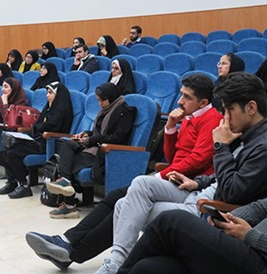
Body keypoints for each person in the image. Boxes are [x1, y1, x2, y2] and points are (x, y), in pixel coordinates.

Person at [25, 74, 223, 270]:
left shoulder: (211, 119)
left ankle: (69, 245)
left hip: (188, 183)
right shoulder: (187, 117)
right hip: (173, 177)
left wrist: (161, 174)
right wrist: (170, 127)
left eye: (187, 97)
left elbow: (199, 160)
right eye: (180, 94)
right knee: (117, 198)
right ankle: (68, 245)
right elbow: (172, 156)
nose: (180, 101)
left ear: (203, 102)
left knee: (123, 200)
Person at [95, 72, 267, 274]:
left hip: (229, 225)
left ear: (251, 108)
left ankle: (116, 265)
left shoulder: (260, 145)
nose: (225, 117)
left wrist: (220, 146)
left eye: (229, 110)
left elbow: (229, 189)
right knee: (143, 257)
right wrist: (200, 182)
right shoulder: (246, 135)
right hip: (215, 207)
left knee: (168, 219)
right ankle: (117, 261)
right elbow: (255, 201)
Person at [46, 83, 136, 219]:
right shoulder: (106, 110)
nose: (99, 104)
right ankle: (65, 181)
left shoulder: (125, 111)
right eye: (98, 100)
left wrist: (92, 140)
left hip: (106, 152)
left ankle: (69, 205)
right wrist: (86, 134)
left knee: (68, 163)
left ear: (110, 97)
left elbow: (118, 138)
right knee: (67, 145)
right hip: (94, 146)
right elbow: (98, 131)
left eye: (102, 100)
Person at [118, 200, 267, 274]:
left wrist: (249, 235)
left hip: (259, 260)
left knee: (172, 221)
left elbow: (233, 189)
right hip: (246, 248)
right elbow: (260, 208)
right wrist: (229, 219)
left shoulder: (258, 147)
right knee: (148, 268)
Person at [0, 82, 73, 199]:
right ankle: (12, 182)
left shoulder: (62, 108)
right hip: (36, 139)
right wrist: (34, 130)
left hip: (47, 144)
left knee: (12, 153)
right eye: (47, 93)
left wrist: (36, 129)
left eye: (50, 93)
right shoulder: (48, 107)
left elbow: (52, 127)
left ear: (58, 94)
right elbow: (38, 124)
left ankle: (24, 186)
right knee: (6, 148)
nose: (47, 96)